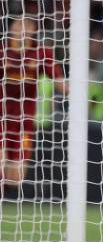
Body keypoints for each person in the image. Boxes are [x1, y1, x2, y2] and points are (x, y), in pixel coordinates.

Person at [0, 15, 67, 191]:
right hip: (2, 119)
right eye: (19, 24)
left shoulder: (41, 53)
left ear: (33, 30)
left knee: (16, 179)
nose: (23, 29)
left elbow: (61, 83)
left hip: (24, 123)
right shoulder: (2, 51)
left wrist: (76, 88)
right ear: (11, 28)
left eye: (27, 25)